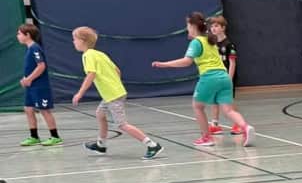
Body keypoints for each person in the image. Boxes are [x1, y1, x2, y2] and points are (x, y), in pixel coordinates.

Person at [152, 12, 253, 147]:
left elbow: (187, 61)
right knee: (228, 110)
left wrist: (164, 64)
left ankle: (206, 138)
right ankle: (245, 127)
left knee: (198, 106)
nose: (187, 28)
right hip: (224, 77)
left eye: (188, 25)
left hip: (209, 77)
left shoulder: (196, 42)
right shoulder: (210, 40)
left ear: (193, 26)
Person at [70, 26, 163, 159]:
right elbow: (117, 71)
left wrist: (80, 93)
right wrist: (113, 84)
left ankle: (152, 145)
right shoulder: (100, 54)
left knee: (122, 124)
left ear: (82, 40)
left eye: (74, 39)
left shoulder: (87, 55)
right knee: (100, 114)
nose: (73, 42)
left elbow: (91, 74)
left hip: (112, 95)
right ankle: (101, 145)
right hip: (113, 93)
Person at [16, 23, 61, 147]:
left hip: (40, 86)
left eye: (19, 34)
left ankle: (55, 137)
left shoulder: (35, 48)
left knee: (44, 110)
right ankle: (34, 136)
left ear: (27, 35)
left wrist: (29, 79)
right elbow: (31, 67)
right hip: (31, 86)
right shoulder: (29, 49)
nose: (17, 36)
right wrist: (25, 78)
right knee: (28, 109)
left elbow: (41, 66)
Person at [205, 16, 240, 136]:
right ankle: (215, 125)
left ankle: (238, 124)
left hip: (227, 77)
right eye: (212, 26)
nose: (213, 28)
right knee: (214, 100)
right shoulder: (213, 44)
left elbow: (232, 63)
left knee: (229, 100)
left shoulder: (229, 45)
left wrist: (229, 79)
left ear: (223, 28)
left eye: (216, 26)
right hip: (216, 76)